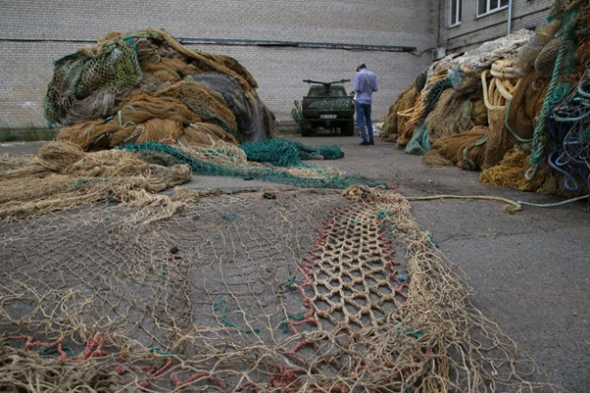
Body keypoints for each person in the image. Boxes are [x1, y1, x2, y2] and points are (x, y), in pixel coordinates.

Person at [353, 63, 378, 145]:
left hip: (360, 100)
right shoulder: (373, 75)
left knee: (360, 120)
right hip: (368, 100)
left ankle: (365, 139)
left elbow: (356, 88)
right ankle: (371, 139)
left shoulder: (358, 75)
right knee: (368, 120)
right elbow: (375, 88)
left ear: (360, 67)